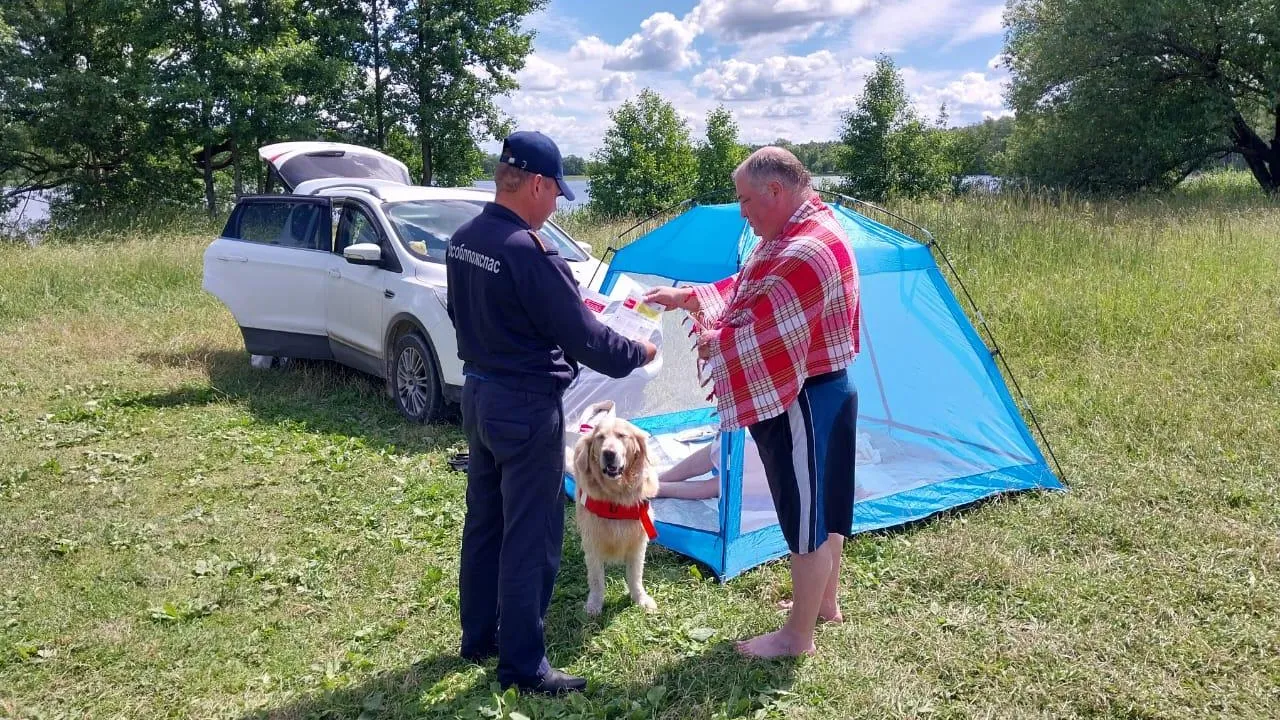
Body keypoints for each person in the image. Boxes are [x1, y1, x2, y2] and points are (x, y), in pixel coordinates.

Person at [446, 130, 657, 695]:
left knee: (485, 518)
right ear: (534, 184)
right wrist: (639, 350)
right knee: (531, 533)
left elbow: (460, 313)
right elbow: (584, 335)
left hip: (478, 395)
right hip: (523, 406)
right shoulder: (527, 250)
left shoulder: (464, 238)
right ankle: (522, 665)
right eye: (556, 192)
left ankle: (478, 636)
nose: (557, 203)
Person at [644, 146, 860, 658]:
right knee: (827, 508)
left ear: (776, 192)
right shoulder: (809, 227)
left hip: (804, 397)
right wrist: (689, 297)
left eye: (745, 200)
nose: (742, 211)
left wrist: (712, 336)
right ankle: (825, 603)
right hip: (830, 389)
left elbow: (759, 331)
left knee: (804, 518)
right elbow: (747, 289)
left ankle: (796, 637)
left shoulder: (803, 250)